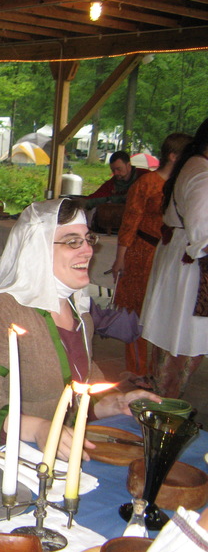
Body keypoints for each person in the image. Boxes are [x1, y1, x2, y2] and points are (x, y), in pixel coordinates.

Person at [0, 198, 159, 457]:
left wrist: (116, 403)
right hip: (7, 460)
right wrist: (39, 429)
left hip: (60, 457)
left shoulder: (79, 313)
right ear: (38, 249)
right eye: (72, 241)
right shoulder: (2, 311)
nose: (88, 251)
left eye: (88, 239)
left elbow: (80, 392)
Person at [111, 133, 192, 376]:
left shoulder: (183, 183)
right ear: (173, 156)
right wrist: (120, 258)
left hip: (169, 253)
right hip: (142, 252)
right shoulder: (146, 183)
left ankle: (158, 370)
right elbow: (129, 222)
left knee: (162, 310)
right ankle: (137, 369)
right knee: (136, 310)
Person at [141, 118, 208, 398]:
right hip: (190, 266)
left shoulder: (195, 167)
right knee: (183, 339)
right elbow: (202, 231)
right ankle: (164, 404)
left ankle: (162, 400)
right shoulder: (202, 174)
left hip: (182, 259)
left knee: (177, 338)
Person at [85, 150, 150, 209]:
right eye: (113, 170)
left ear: (128, 165)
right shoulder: (111, 184)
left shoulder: (146, 176)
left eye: (119, 169)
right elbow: (95, 197)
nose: (115, 173)